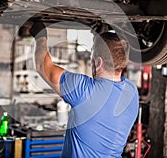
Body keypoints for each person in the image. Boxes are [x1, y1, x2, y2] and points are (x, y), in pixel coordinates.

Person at [29, 21, 139, 158]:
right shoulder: (131, 92)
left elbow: (41, 65)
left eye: (92, 58)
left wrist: (41, 36)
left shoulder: (83, 91)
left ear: (98, 63)